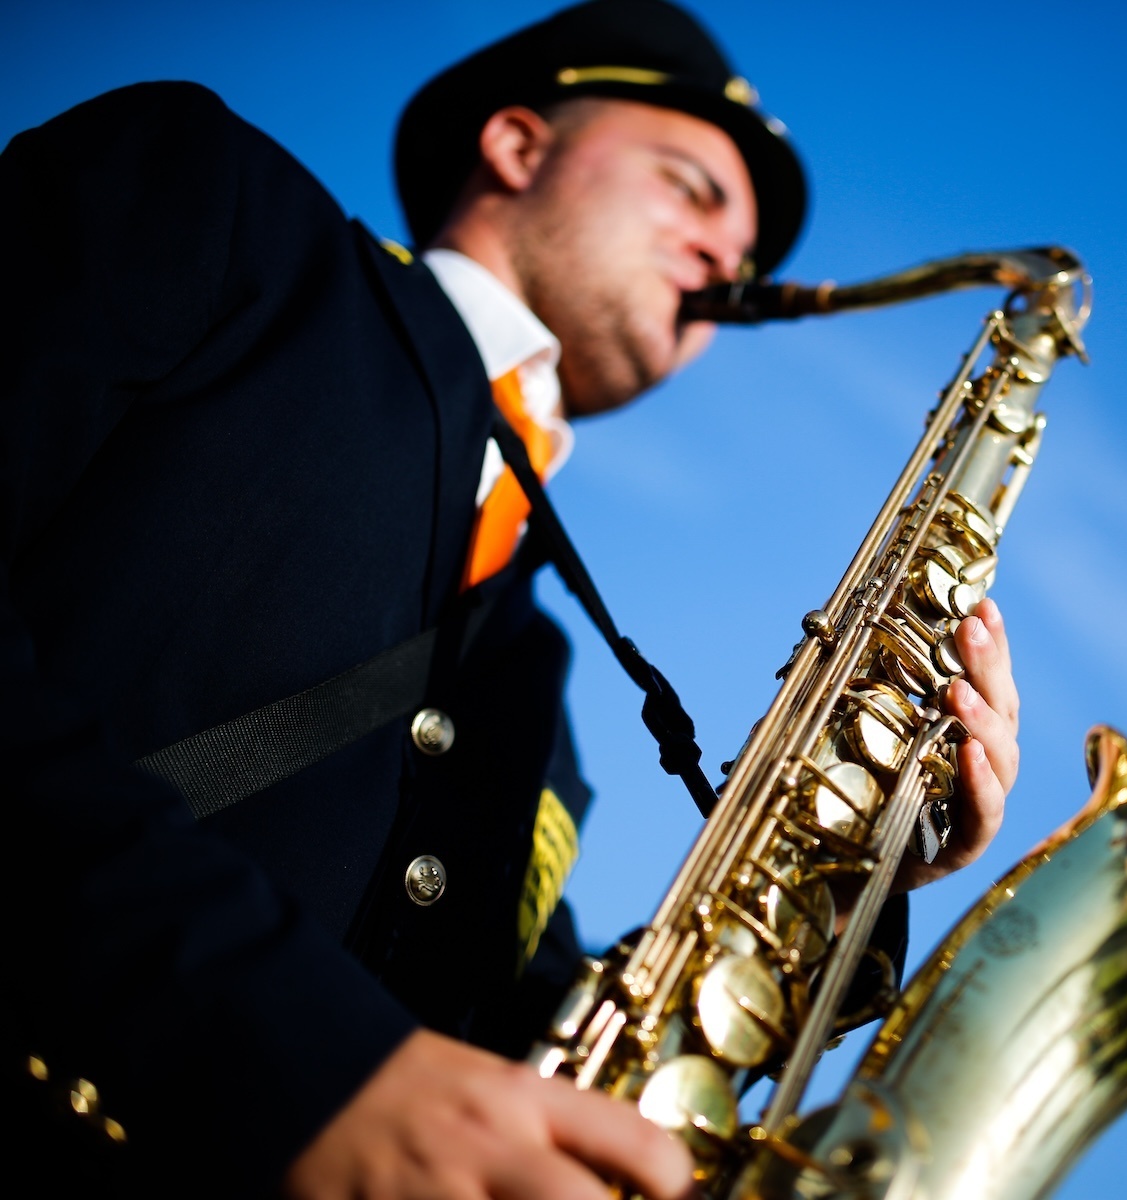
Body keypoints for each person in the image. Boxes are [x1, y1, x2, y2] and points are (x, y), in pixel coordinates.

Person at [0, 2, 1022, 1196]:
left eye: (744, 259)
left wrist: (864, 871)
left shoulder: (547, 701)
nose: (725, 267)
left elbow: (528, 1071)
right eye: (692, 189)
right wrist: (299, 1059)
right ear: (519, 145)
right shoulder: (210, 202)